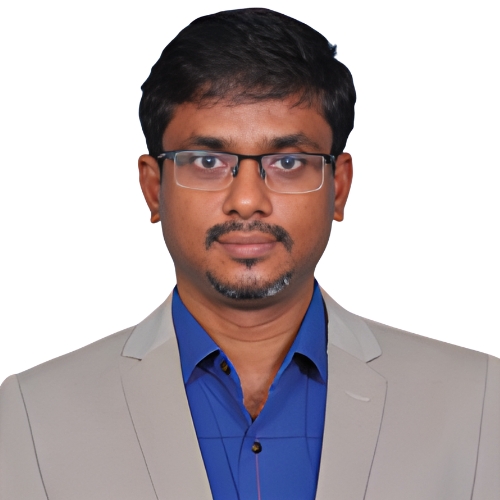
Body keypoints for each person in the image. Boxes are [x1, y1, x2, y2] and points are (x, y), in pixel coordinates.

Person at [0, 8, 498, 500]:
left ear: (338, 187)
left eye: (288, 162)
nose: (246, 200)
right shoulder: (32, 416)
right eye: (207, 161)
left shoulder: (478, 402)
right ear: (154, 189)